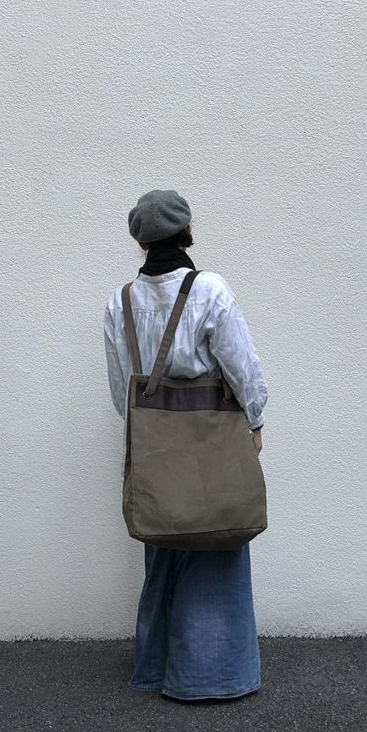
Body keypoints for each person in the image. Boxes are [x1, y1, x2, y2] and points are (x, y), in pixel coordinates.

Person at [103, 189, 268, 702]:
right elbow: (241, 366)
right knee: (216, 538)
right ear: (188, 231)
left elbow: (122, 391)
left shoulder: (119, 302)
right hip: (212, 440)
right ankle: (214, 676)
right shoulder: (210, 289)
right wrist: (255, 419)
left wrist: (153, 431)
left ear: (140, 242)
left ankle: (157, 667)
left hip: (155, 446)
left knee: (164, 541)